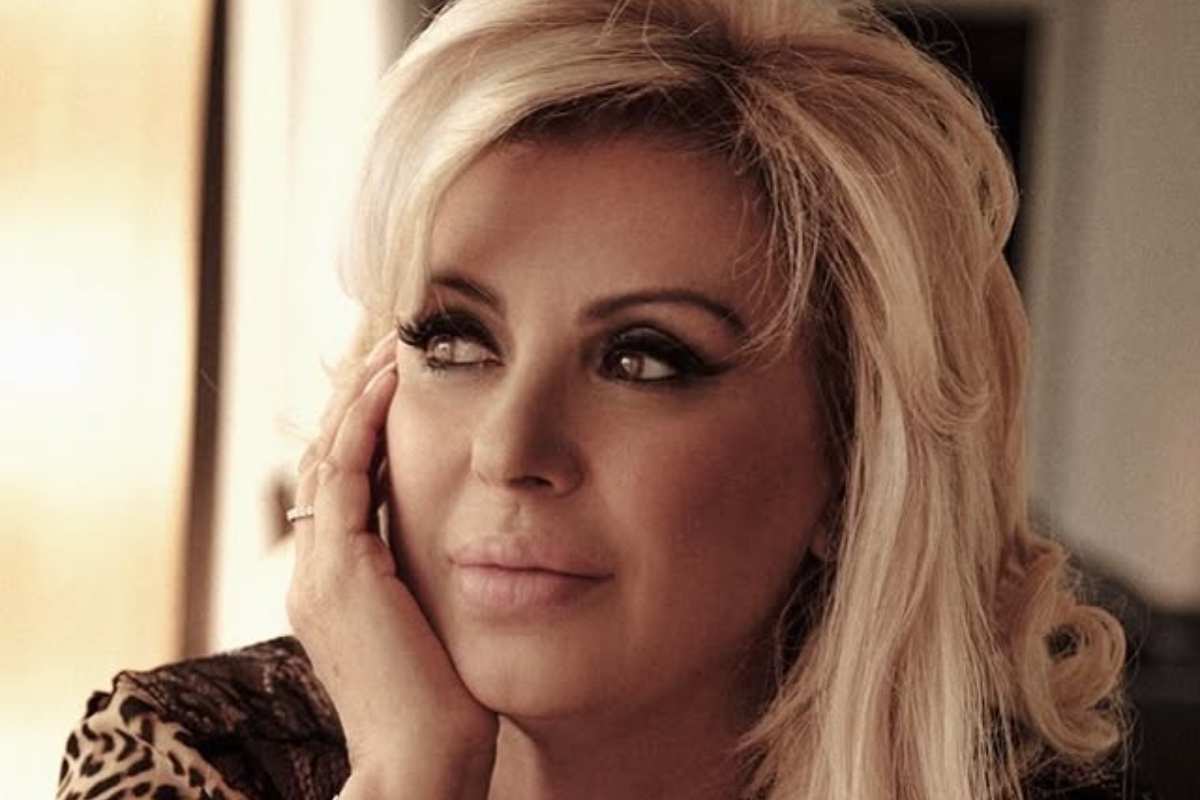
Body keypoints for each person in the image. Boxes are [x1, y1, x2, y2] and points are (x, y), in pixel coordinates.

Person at [57, 1, 1145, 798]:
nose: (509, 447)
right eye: (454, 340)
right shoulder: (188, 759)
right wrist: (409, 776)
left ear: (855, 465)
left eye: (642, 360)